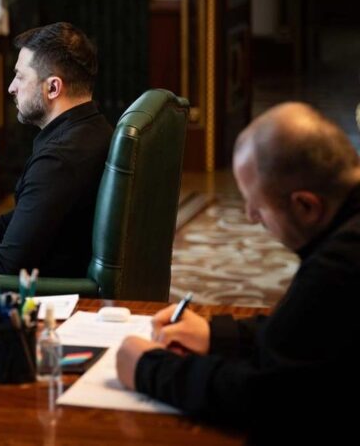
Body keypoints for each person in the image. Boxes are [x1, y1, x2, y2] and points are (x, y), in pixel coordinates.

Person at [115, 102, 360, 442]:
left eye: (258, 206)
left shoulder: (339, 266)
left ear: (305, 205)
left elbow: (266, 399)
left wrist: (148, 368)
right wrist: (217, 335)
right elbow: (312, 334)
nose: (250, 216)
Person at [0, 22, 114, 277]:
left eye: (21, 76)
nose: (11, 87)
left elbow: (6, 270)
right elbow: (35, 214)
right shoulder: (96, 129)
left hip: (52, 294)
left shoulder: (57, 160)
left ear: (53, 88)